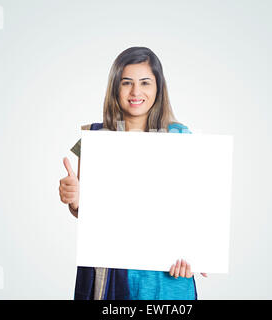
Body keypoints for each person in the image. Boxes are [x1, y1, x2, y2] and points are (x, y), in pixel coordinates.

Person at [59, 46, 207, 300]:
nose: (136, 92)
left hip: (167, 277)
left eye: (145, 83)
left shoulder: (180, 136)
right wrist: (74, 200)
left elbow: (199, 205)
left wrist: (199, 253)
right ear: (115, 87)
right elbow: (84, 212)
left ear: (158, 88)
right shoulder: (95, 138)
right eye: (127, 83)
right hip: (113, 273)